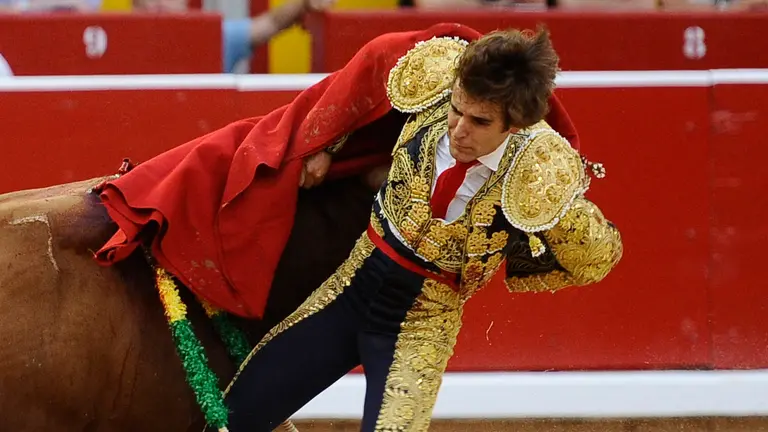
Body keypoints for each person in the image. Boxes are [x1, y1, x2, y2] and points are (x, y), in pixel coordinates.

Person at [199, 27, 623, 431]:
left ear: (515, 126)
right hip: (351, 289)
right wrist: (326, 141)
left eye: (478, 122)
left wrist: (560, 218)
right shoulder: (437, 80)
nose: (458, 129)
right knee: (232, 419)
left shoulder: (537, 171)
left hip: (421, 327)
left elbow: (597, 257)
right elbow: (364, 74)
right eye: (457, 110)